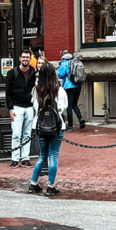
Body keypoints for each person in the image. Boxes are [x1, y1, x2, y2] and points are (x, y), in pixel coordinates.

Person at [28, 61, 68, 196]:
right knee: (53, 156)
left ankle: (33, 184)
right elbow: (63, 108)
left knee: (42, 156)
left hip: (39, 126)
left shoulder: (35, 90)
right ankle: (51, 186)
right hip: (56, 126)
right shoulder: (59, 90)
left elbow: (34, 107)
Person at [6, 48, 37, 168]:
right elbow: (7, 92)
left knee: (27, 134)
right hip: (17, 107)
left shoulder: (34, 72)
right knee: (16, 134)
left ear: (30, 59)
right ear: (19, 58)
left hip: (29, 107)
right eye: (23, 57)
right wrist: (10, 109)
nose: (25, 59)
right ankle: (14, 159)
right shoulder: (12, 73)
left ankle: (25, 158)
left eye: (27, 57)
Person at [57, 49, 85, 130]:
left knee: (69, 106)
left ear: (62, 54)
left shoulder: (64, 62)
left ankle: (69, 126)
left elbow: (60, 75)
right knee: (74, 104)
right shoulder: (75, 60)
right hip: (78, 85)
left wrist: (58, 69)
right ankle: (81, 119)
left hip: (69, 87)